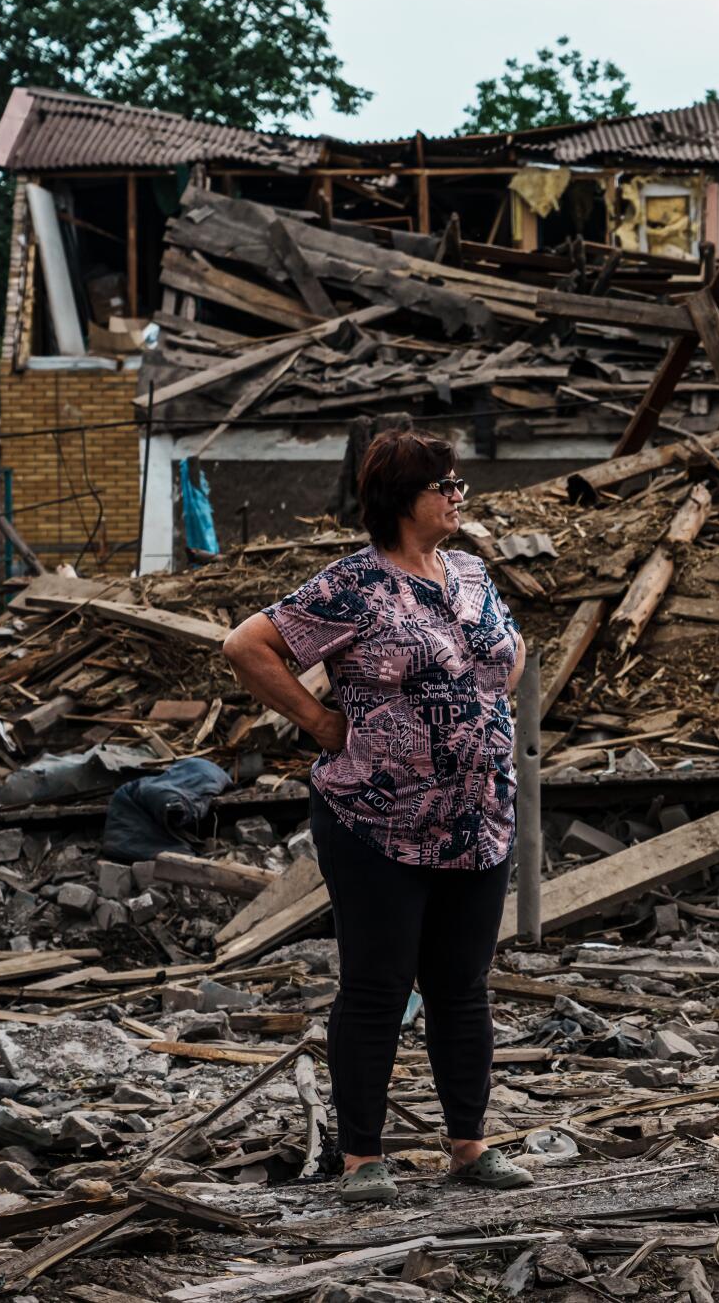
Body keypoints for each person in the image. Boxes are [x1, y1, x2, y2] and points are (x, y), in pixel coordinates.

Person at [222, 430, 531, 1202]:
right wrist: (322, 723)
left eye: (459, 481)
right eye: (444, 485)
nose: (458, 495)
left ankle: (470, 1147)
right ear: (402, 499)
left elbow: (509, 653)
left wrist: (479, 709)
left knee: (463, 986)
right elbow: (247, 645)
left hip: (479, 817)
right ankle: (362, 1158)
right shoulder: (352, 586)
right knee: (377, 986)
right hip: (377, 818)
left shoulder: (469, 571)